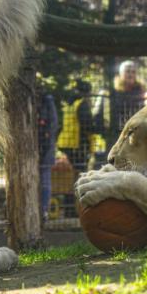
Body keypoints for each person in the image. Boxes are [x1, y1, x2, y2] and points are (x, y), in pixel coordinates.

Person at [57, 80, 96, 217]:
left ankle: (69, 209)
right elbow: (87, 126)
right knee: (79, 177)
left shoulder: (69, 103)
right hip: (78, 145)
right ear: (87, 92)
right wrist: (97, 129)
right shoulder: (82, 104)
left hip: (66, 144)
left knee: (70, 178)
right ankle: (76, 209)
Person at [37, 90, 58, 221]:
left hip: (45, 147)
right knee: (42, 180)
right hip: (39, 147)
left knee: (44, 180)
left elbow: (53, 126)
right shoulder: (42, 102)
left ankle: (43, 210)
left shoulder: (47, 101)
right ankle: (40, 209)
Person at [111, 60, 146, 130]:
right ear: (120, 74)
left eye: (133, 72)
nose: (130, 75)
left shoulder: (141, 90)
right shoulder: (114, 91)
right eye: (127, 71)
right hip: (116, 130)